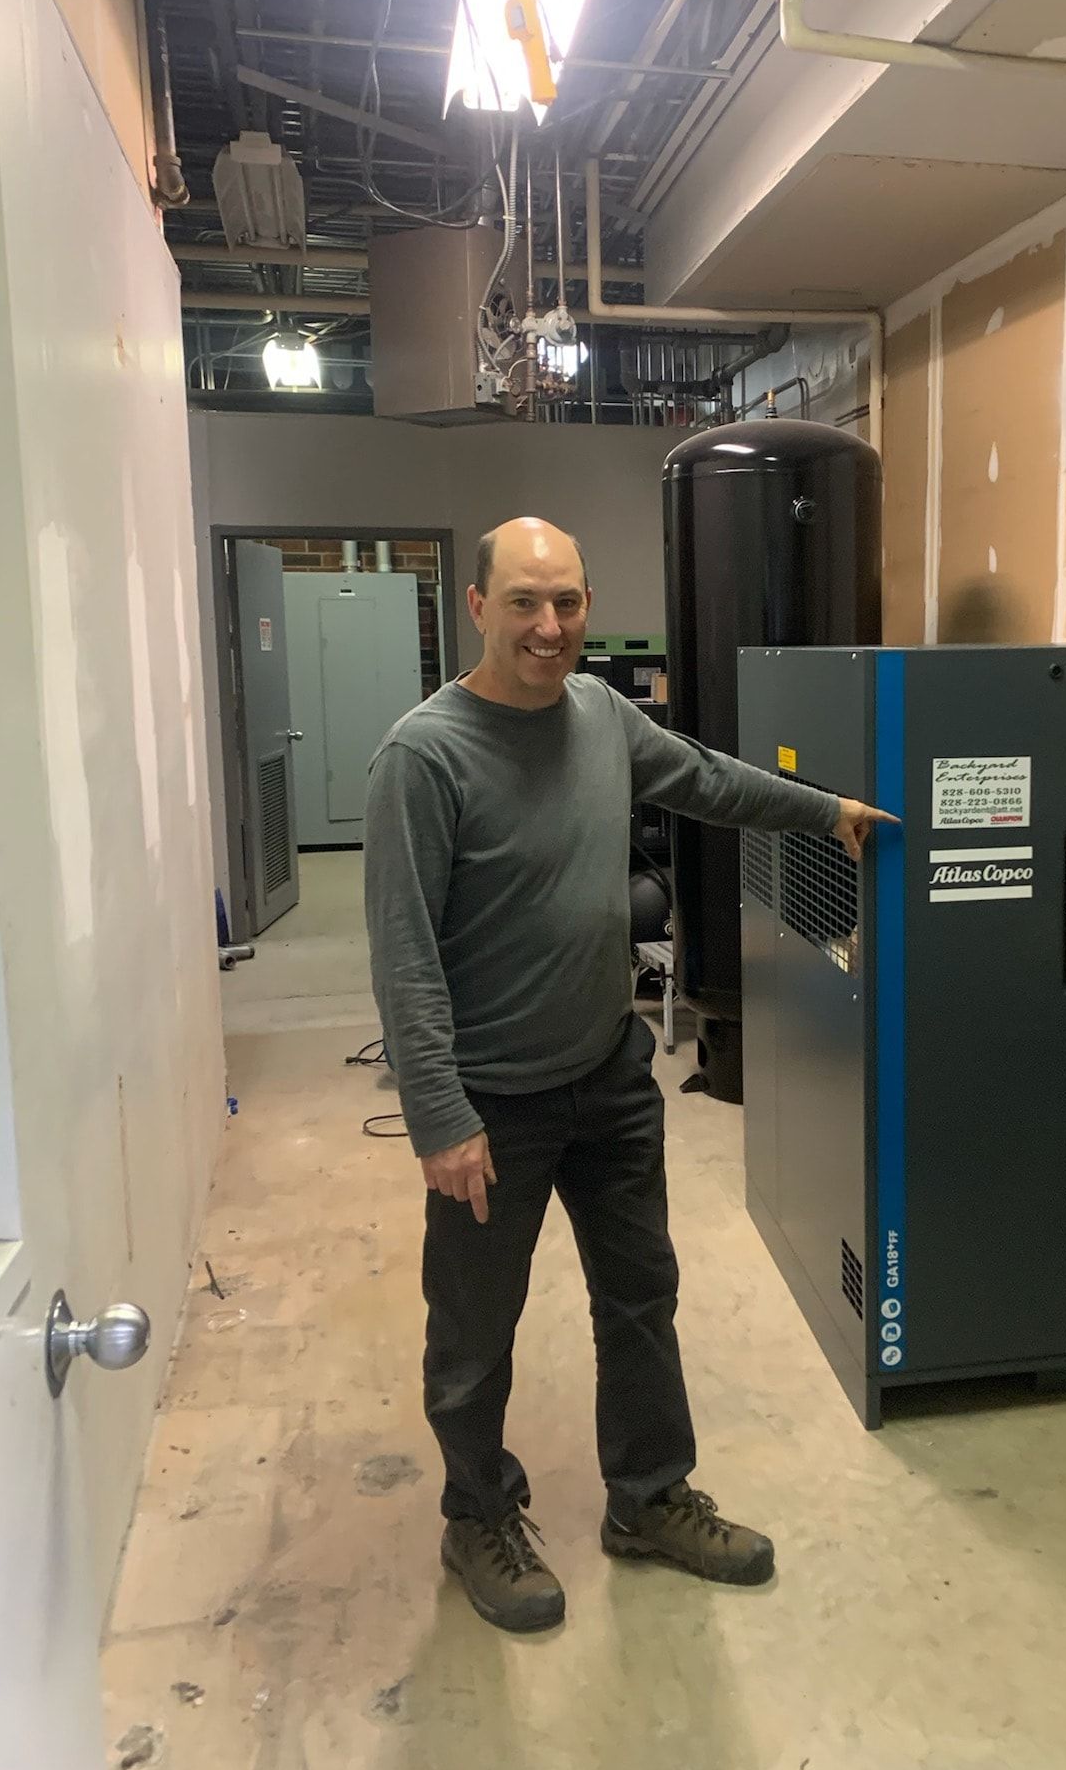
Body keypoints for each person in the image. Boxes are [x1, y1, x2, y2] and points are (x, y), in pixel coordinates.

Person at [363, 516, 896, 1634]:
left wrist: (824, 810)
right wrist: (438, 1115)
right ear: (477, 607)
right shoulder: (425, 755)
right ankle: (477, 1513)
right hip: (489, 1105)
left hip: (608, 1076)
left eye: (567, 602)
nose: (549, 627)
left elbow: (704, 779)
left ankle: (648, 1497)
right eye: (523, 602)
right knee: (474, 1327)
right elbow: (405, 956)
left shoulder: (603, 716)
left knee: (641, 1294)